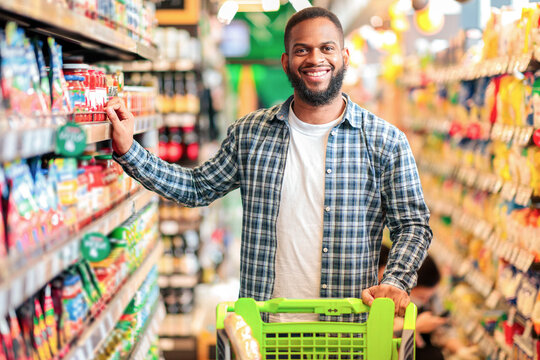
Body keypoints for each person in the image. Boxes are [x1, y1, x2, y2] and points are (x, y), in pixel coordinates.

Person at [106, 6, 432, 322]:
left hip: (345, 332)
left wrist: (396, 280)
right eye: (302, 50)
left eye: (326, 48)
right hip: (265, 330)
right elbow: (196, 187)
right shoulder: (250, 133)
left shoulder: (385, 141)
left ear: (344, 57)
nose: (315, 58)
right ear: (286, 61)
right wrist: (130, 150)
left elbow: (413, 225)